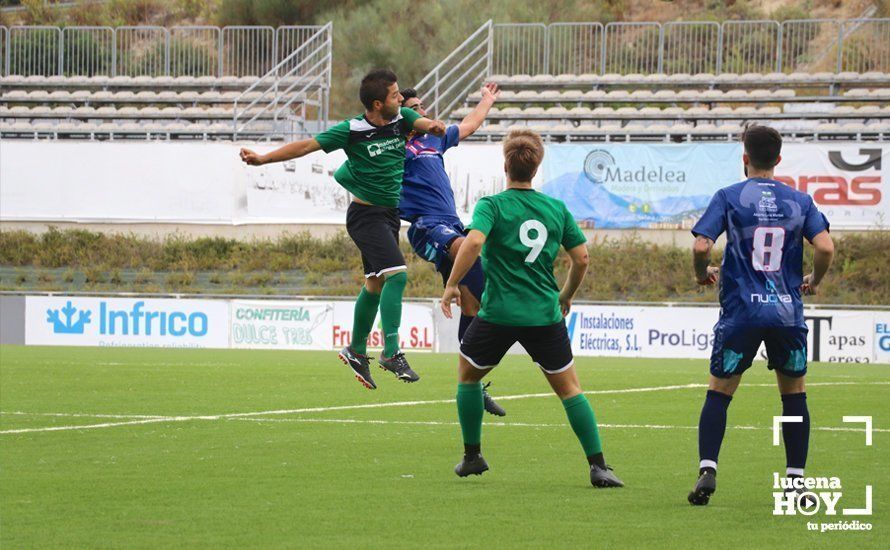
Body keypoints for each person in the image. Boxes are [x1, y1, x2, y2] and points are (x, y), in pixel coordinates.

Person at [240, 69, 446, 390]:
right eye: (394, 96)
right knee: (398, 274)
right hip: (366, 217)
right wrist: (263, 159)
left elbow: (423, 123)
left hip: (389, 216)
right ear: (377, 104)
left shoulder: (401, 118)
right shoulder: (351, 130)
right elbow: (306, 146)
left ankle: (356, 350)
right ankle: (391, 351)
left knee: (376, 282)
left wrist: (432, 125)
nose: (401, 100)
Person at [440, 129, 624, 488]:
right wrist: (566, 295)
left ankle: (472, 456)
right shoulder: (555, 208)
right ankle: (599, 466)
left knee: (467, 376)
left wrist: (451, 284)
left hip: (498, 314)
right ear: (535, 168)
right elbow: (582, 258)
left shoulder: (491, 205)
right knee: (570, 389)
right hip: (543, 314)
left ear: (506, 165)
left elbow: (474, 240)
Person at [687, 125, 834, 505]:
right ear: (779, 160)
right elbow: (826, 247)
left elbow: (703, 245)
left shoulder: (729, 197)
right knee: (794, 395)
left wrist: (702, 273)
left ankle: (708, 470)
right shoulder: (800, 201)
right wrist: (814, 280)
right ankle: (796, 482)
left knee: (719, 392)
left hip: (742, 313)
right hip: (786, 314)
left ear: (745, 159)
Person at [400, 83, 505, 416]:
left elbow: (471, 125)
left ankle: (471, 384)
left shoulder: (433, 139)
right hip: (426, 228)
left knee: (472, 303)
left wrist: (487, 100)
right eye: (414, 107)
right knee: (469, 248)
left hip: (449, 224)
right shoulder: (393, 148)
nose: (422, 111)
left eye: (422, 105)